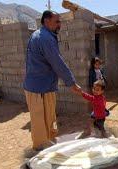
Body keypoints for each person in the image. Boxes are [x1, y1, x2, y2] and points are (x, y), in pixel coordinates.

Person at [23, 10, 81, 151]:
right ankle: (40, 156)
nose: (59, 24)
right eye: (57, 22)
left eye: (60, 21)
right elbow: (57, 63)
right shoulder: (45, 38)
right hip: (38, 89)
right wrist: (71, 83)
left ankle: (48, 149)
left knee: (48, 121)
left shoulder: (40, 35)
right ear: (46, 21)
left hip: (44, 87)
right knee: (40, 125)